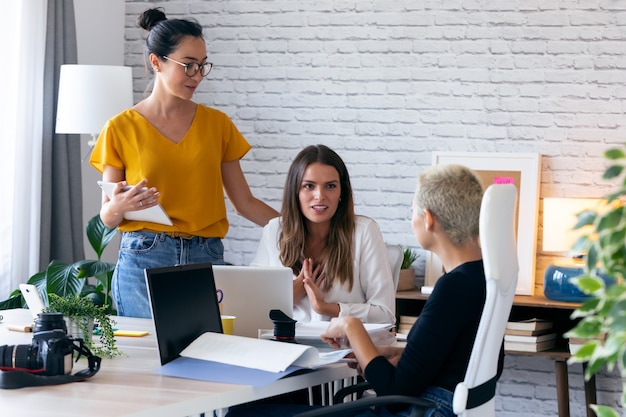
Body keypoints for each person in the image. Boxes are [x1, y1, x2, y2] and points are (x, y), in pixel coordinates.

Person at [227, 163, 500, 417]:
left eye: (412, 211)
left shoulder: (452, 288)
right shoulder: (482, 278)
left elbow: (394, 394)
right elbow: (456, 358)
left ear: (427, 219)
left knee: (244, 413)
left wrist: (351, 326)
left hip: (424, 410)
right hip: (441, 405)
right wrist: (393, 354)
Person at [89, 8, 279, 318]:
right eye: (188, 66)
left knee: (203, 354)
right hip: (144, 258)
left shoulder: (218, 125)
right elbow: (107, 218)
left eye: (202, 66)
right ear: (156, 62)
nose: (197, 76)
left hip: (205, 257)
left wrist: (300, 231)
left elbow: (244, 203)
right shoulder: (120, 127)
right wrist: (120, 205)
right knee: (147, 359)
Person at [251, 144, 395, 325]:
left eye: (330, 186)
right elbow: (253, 305)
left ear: (341, 192)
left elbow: (385, 313)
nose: (319, 196)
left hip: (343, 348)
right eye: (309, 186)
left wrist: (325, 308)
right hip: (286, 346)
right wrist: (292, 294)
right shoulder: (274, 231)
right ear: (295, 191)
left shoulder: (364, 231)